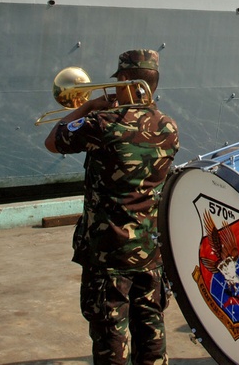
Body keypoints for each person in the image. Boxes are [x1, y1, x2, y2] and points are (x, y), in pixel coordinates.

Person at [44, 49, 179, 365]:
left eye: (117, 80)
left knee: (110, 337)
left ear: (127, 83)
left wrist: (89, 106)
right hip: (150, 251)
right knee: (151, 331)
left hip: (109, 253)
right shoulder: (168, 128)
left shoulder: (102, 124)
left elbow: (53, 140)